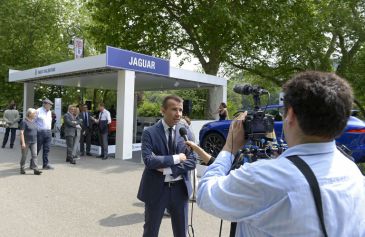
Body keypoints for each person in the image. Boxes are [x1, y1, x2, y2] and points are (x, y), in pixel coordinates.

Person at [197, 71, 365, 236]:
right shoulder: (354, 173)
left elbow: (205, 193)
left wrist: (229, 147)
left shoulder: (264, 177)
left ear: (290, 114)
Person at [137, 95, 197, 237]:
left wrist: (168, 169)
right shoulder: (149, 133)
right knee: (150, 231)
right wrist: (177, 158)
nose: (179, 114)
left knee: (182, 233)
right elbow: (149, 161)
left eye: (181, 110)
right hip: (156, 190)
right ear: (163, 110)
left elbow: (192, 161)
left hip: (180, 190)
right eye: (174, 109)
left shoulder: (186, 132)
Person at [19, 108, 42, 175]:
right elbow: (21, 133)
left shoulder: (34, 121)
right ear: (29, 114)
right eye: (34, 113)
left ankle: (36, 169)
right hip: (26, 141)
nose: (35, 114)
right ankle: (22, 168)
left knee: (34, 155)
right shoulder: (24, 122)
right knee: (24, 156)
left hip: (34, 141)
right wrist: (23, 143)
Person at [34, 98, 54, 170]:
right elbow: (33, 122)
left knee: (47, 149)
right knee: (37, 149)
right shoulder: (38, 111)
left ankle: (45, 164)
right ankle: (32, 163)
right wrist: (36, 130)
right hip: (40, 132)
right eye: (50, 105)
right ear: (45, 104)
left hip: (48, 132)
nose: (51, 106)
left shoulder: (49, 112)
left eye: (51, 105)